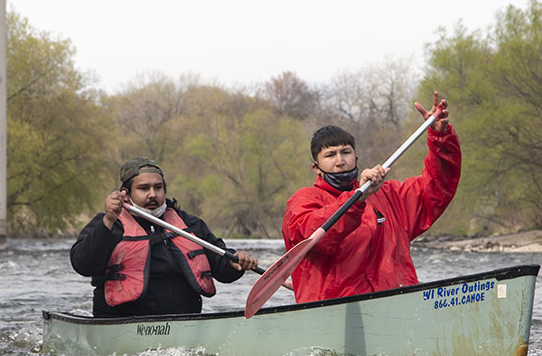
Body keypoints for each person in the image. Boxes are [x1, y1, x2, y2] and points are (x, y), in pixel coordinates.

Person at [281, 91, 461, 303]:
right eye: (330, 155)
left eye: (345, 152)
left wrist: (441, 138)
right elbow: (315, 237)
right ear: (316, 168)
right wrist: (357, 199)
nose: (340, 161)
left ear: (355, 158)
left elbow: (438, 188)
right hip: (336, 314)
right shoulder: (303, 200)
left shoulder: (391, 195)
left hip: (397, 306)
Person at [71, 157, 258, 317]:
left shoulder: (188, 224)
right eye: (144, 188)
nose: (153, 194)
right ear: (125, 194)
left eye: (158, 187)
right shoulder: (110, 223)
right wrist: (108, 221)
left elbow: (221, 267)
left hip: (185, 323)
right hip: (124, 323)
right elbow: (83, 264)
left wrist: (235, 263)